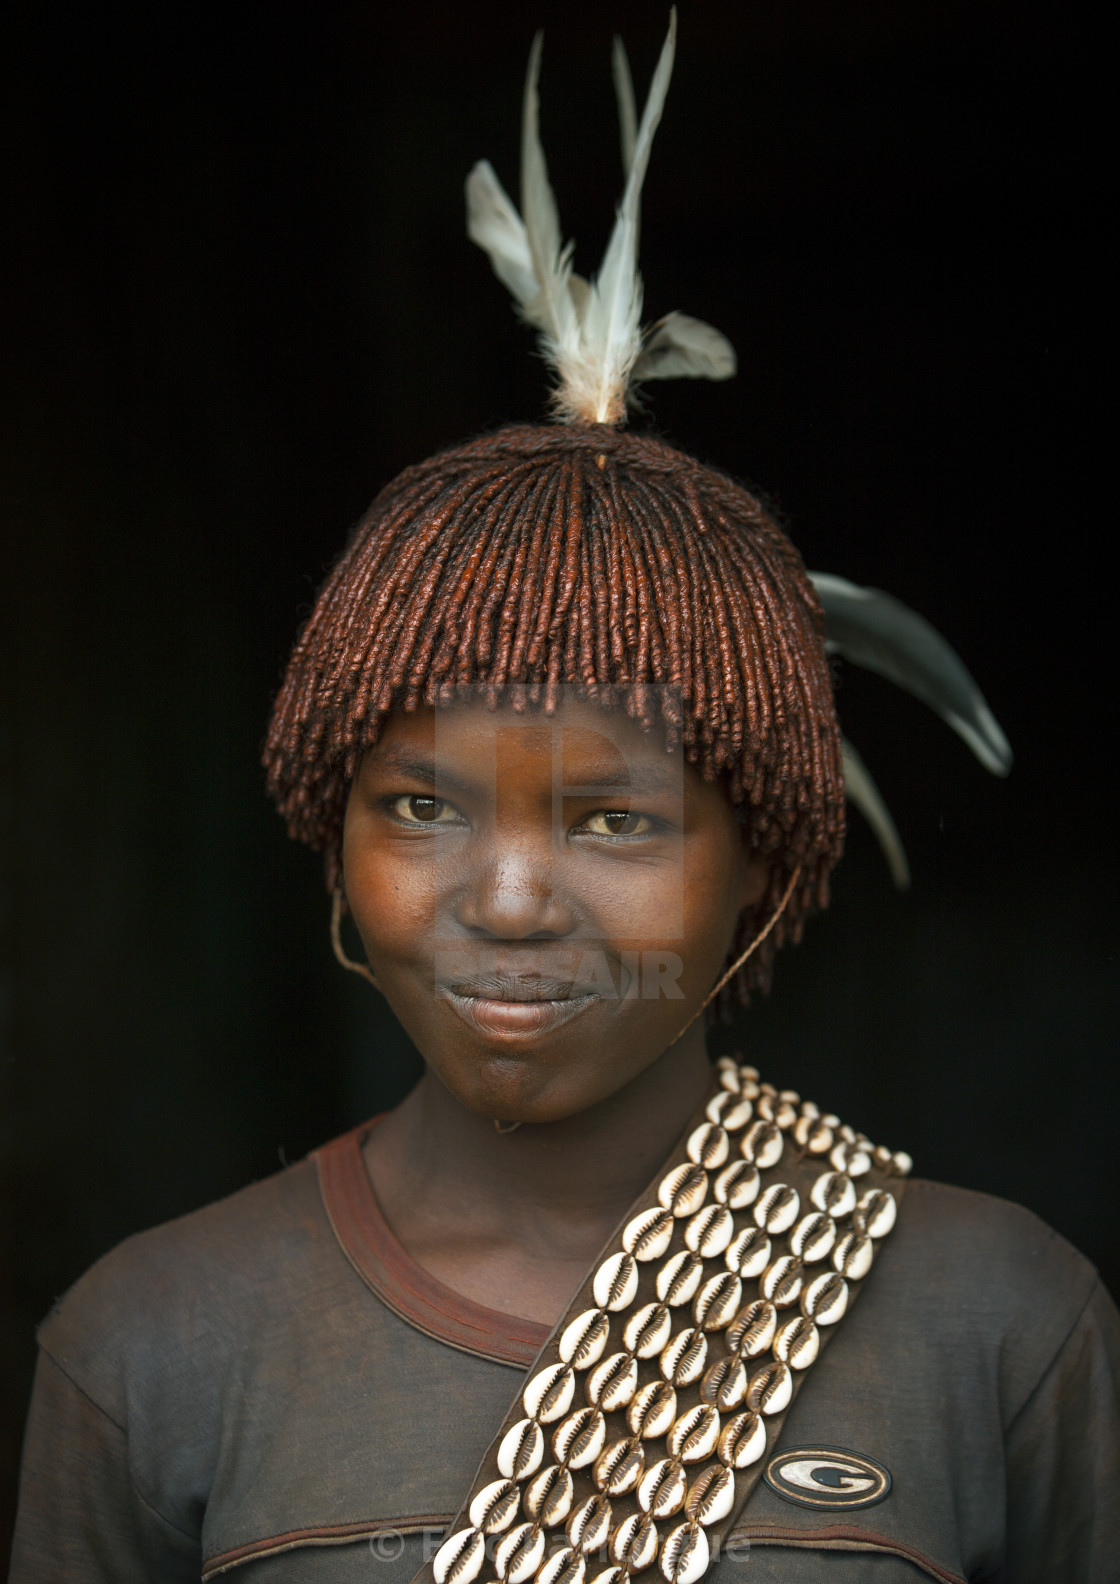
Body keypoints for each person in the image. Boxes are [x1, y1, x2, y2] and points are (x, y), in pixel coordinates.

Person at [10, 16, 1118, 1584]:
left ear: (769, 860)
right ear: (330, 828)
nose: (512, 899)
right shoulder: (154, 1347)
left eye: (616, 820)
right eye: (419, 808)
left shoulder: (1002, 1328)